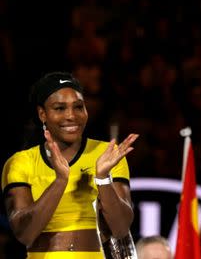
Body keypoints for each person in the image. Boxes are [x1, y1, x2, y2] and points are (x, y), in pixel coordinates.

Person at [1, 71, 139, 259]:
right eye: (59, 108)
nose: (71, 116)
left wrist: (103, 179)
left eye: (78, 107)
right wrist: (60, 181)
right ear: (43, 114)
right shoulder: (20, 162)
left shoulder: (108, 154)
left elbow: (121, 228)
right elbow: (25, 234)